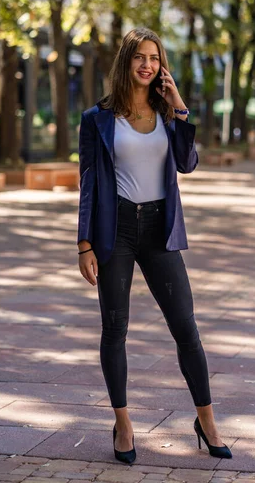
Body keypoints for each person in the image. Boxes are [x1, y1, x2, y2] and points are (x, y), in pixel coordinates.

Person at [77, 27, 232, 464]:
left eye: (155, 58)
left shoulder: (168, 115)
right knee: (115, 329)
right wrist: (84, 244)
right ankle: (123, 425)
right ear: (126, 62)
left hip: (160, 229)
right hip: (117, 230)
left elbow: (187, 163)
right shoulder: (97, 119)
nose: (147, 64)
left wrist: (180, 105)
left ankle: (207, 421)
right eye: (140, 57)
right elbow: (88, 183)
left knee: (186, 328)